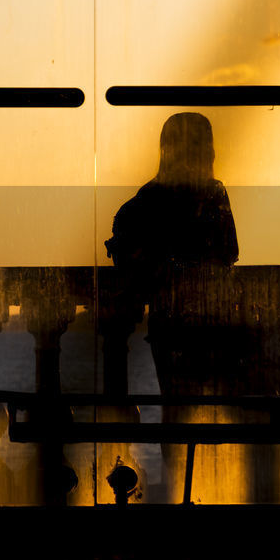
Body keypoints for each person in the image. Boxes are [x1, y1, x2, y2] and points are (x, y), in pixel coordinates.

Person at [106, 112, 240, 396]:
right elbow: (229, 251)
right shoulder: (213, 193)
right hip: (212, 321)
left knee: (176, 409)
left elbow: (124, 228)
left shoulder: (150, 197)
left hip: (171, 323)